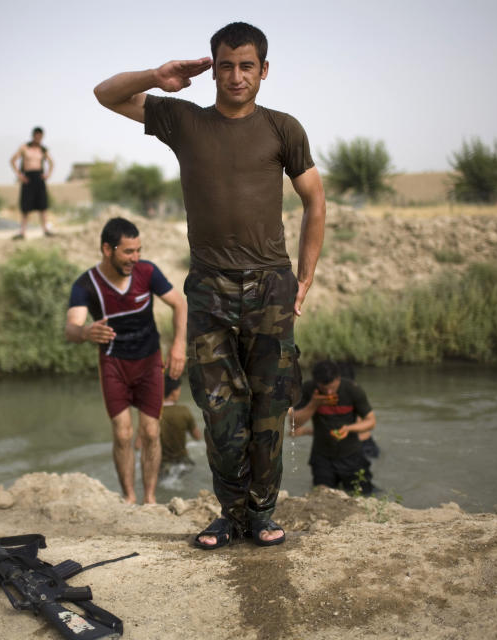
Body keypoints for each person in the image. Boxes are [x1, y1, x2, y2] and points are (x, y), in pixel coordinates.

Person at [94, 21, 326, 549]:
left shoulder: (283, 128)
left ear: (264, 70)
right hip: (209, 289)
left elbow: (316, 200)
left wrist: (305, 276)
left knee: (269, 408)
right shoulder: (183, 120)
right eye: (226, 65)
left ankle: (263, 514)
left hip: (271, 285)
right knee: (220, 411)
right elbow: (106, 95)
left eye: (247, 66)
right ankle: (230, 512)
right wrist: (158, 76)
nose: (236, 76)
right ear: (213, 67)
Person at [65, 217, 186, 505]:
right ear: (107, 249)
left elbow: (179, 303)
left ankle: (150, 499)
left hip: (149, 363)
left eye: (138, 251)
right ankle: (129, 498)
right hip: (113, 364)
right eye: (128, 252)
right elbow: (71, 328)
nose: (135, 258)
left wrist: (179, 344)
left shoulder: (147, 272)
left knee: (151, 430)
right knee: (122, 434)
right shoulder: (86, 284)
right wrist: (85, 332)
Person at [290, 360, 377, 496]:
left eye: (332, 387)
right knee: (321, 496)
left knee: (362, 496)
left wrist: (348, 429)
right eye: (324, 388)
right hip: (322, 456)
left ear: (338, 378)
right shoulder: (309, 389)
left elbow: (371, 422)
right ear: (316, 382)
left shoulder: (352, 389)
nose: (329, 392)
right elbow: (294, 423)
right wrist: (314, 404)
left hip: (351, 455)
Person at [9, 126, 55, 238]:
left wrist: (47, 174)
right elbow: (13, 160)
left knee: (42, 206)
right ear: (33, 136)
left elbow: (51, 163)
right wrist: (20, 175)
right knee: (26, 206)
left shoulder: (43, 150)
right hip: (28, 178)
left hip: (39, 178)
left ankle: (45, 230)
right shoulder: (25, 148)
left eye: (40, 136)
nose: (38, 138)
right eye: (37, 136)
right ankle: (22, 232)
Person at [158, 373, 202, 476]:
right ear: (174, 392)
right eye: (179, 389)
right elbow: (197, 437)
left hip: (162, 463)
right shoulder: (184, 411)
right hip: (182, 462)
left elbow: (139, 445)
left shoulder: (154, 413)